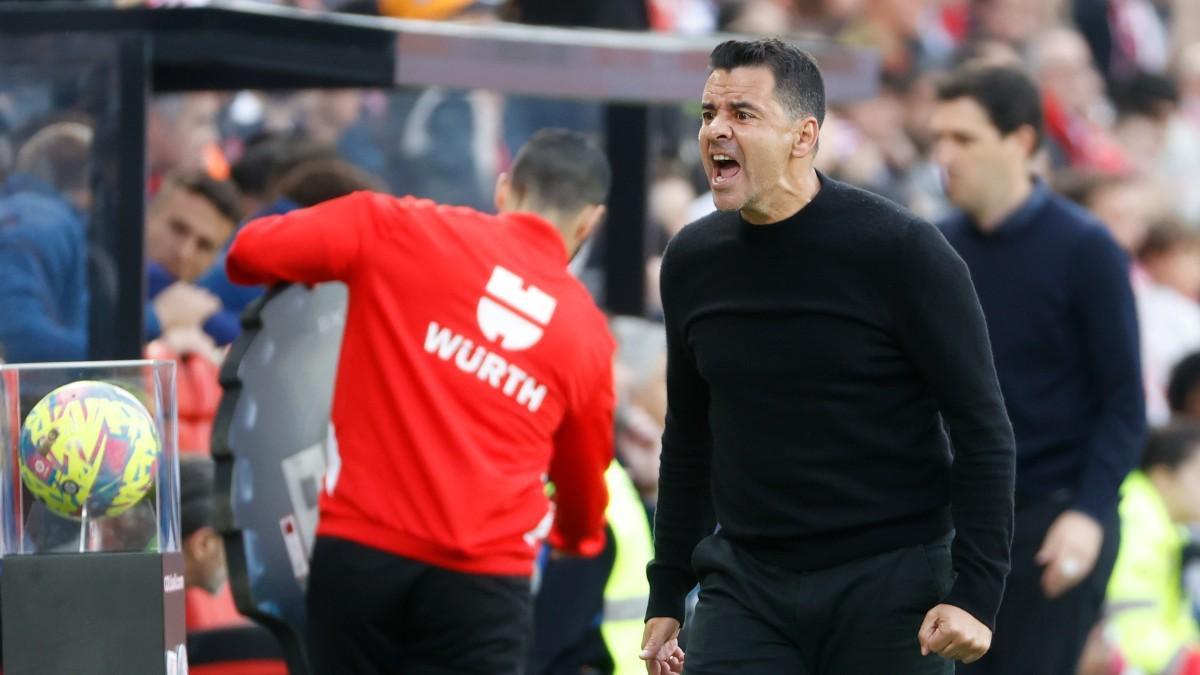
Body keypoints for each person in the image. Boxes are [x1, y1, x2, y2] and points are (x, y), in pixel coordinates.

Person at [641, 38, 1016, 675]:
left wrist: (976, 594)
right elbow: (689, 435)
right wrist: (667, 589)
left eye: (743, 114)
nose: (717, 131)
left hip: (892, 584)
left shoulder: (902, 251)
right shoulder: (691, 260)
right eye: (708, 114)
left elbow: (983, 431)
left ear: (804, 135)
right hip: (746, 583)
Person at [226, 128, 616, 675]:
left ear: (505, 190)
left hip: (360, 557)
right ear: (589, 222)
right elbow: (582, 487)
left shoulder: (399, 226)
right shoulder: (587, 334)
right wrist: (576, 537)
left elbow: (249, 252)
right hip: (482, 586)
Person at [931, 63, 1146, 675]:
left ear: (1022, 141)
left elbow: (1124, 402)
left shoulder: (1087, 249)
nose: (945, 155)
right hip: (956, 525)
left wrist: (1089, 512)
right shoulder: (935, 248)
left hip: (1053, 518)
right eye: (938, 138)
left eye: (964, 139)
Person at [1105, 424, 1200, 674]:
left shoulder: (1164, 527)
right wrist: (1191, 664)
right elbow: (1130, 630)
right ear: (1163, 477)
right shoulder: (1137, 521)